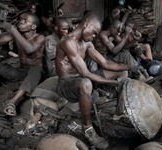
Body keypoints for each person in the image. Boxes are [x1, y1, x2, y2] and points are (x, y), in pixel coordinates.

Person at [55, 13, 133, 149]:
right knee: (86, 83)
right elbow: (85, 73)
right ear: (86, 25)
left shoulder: (87, 43)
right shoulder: (67, 42)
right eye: (94, 33)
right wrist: (114, 83)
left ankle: (118, 114)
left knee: (122, 72)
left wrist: (130, 66)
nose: (94, 37)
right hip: (67, 83)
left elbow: (106, 64)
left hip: (83, 78)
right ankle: (88, 129)